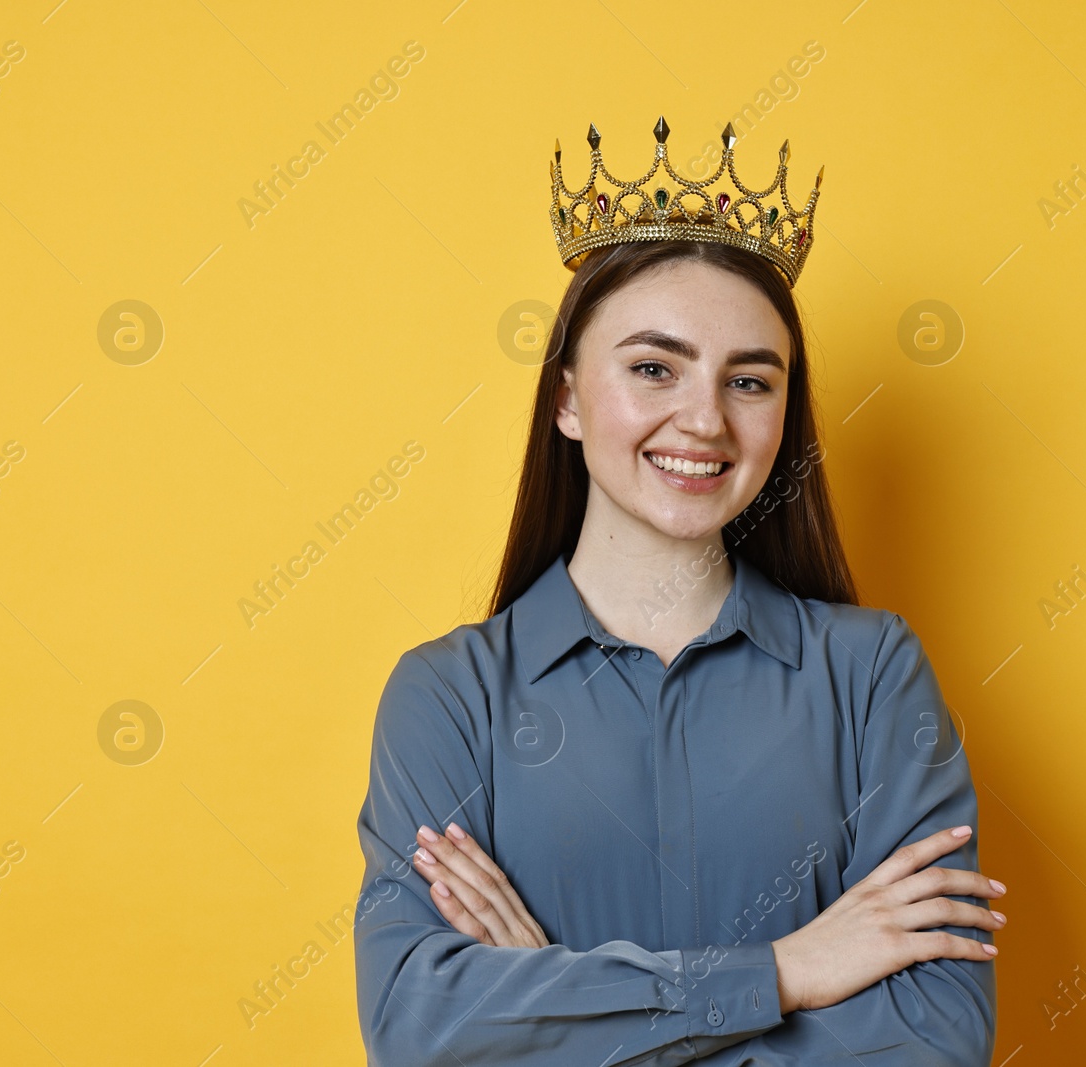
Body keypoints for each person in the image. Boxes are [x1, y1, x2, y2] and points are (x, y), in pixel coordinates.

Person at [353, 120, 1004, 1065]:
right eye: (654, 367)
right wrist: (782, 971)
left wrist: (560, 1014)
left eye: (750, 380)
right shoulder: (448, 699)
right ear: (568, 398)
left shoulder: (871, 674)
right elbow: (419, 1035)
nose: (704, 420)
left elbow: (937, 1041)